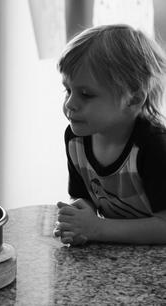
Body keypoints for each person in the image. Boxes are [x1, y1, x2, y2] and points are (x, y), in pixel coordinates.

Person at [54, 24, 166, 245]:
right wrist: (78, 219)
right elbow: (84, 196)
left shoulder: (154, 146)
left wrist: (96, 228)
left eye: (85, 94)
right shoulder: (77, 139)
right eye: (68, 90)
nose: (70, 104)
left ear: (133, 99)